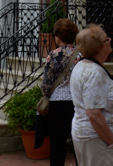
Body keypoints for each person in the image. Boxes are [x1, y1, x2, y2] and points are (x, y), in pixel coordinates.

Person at [70, 24, 113, 166]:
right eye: (106, 39)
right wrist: (112, 142)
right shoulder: (93, 73)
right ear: (97, 47)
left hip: (94, 139)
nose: (110, 40)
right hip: (99, 142)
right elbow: (93, 114)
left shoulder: (84, 65)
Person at [40, 18, 80, 166]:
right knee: (78, 142)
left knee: (57, 143)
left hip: (57, 103)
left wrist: (45, 93)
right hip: (76, 101)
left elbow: (47, 82)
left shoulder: (54, 54)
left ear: (58, 36)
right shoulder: (80, 54)